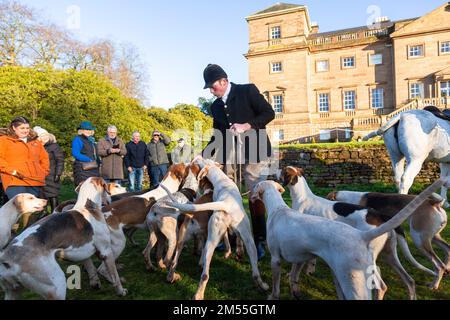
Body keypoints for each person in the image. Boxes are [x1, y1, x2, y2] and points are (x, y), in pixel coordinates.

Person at [202, 64, 275, 260]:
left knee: (254, 195)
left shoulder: (247, 90)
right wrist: (203, 154)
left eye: (213, 86)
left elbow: (269, 113)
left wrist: (247, 125)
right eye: (209, 87)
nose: (211, 90)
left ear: (224, 82)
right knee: (228, 196)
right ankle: (232, 238)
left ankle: (260, 239)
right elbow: (217, 134)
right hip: (230, 156)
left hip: (255, 150)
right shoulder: (215, 106)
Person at [0, 117, 50, 200]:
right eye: (22, 128)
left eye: (27, 128)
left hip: (35, 180)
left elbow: (44, 158)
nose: (25, 130)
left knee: (32, 210)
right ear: (14, 128)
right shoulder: (4, 140)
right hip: (14, 180)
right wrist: (11, 171)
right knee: (20, 208)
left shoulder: (35, 141)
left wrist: (44, 171)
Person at [34, 126, 65, 213]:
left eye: (46, 135)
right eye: (42, 136)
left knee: (53, 195)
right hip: (40, 175)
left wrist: (58, 174)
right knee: (41, 195)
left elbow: (60, 160)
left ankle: (55, 212)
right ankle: (43, 213)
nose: (45, 137)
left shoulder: (54, 146)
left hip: (52, 174)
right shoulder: (36, 147)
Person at [72, 121, 100, 187]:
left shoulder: (91, 140)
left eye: (89, 130)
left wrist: (98, 161)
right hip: (82, 168)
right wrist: (88, 159)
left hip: (93, 167)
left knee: (93, 188)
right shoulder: (78, 139)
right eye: (86, 129)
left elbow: (95, 153)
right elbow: (75, 153)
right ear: (81, 130)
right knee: (84, 188)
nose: (88, 131)